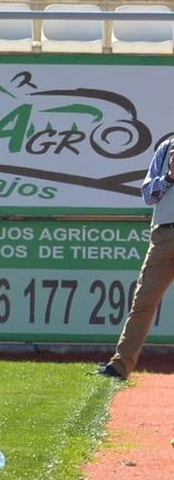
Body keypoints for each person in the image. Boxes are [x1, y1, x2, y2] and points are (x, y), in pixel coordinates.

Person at [98, 132, 174, 380]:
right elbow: (147, 195)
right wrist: (169, 176)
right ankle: (119, 367)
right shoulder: (166, 147)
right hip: (164, 236)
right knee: (142, 303)